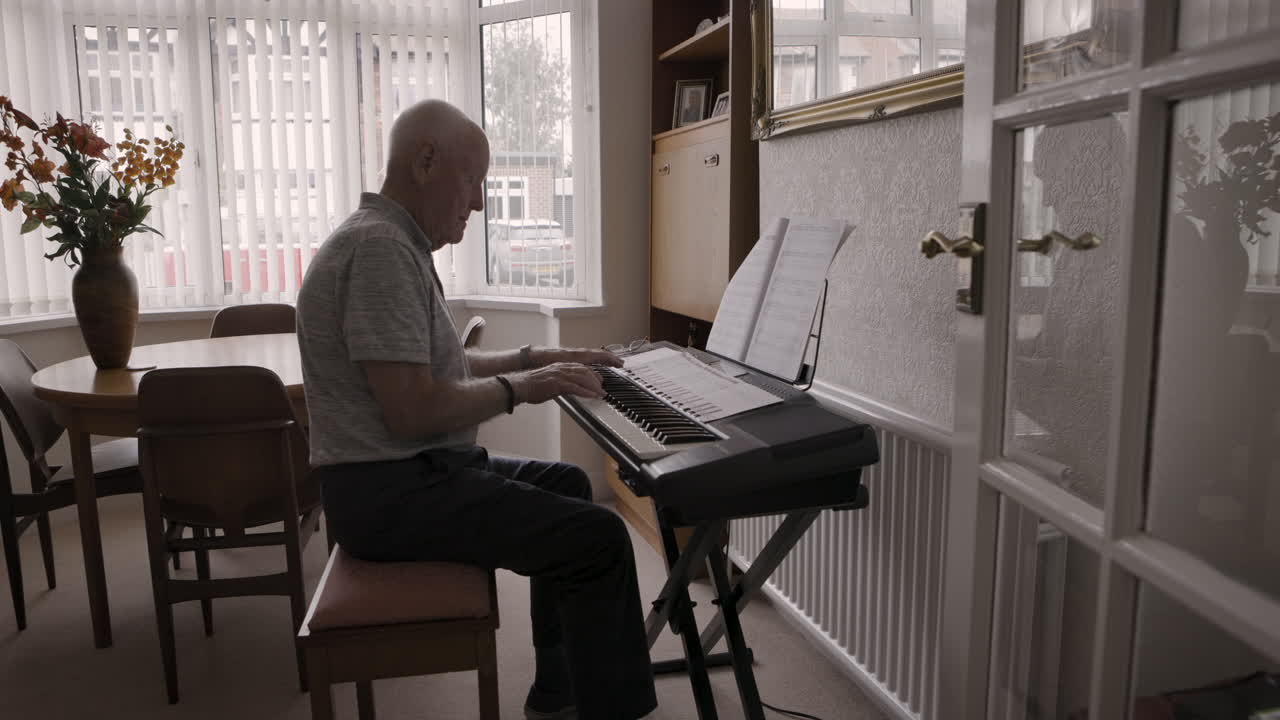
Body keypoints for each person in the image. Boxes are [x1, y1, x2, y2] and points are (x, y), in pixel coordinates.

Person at [297, 99, 658, 720]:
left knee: (570, 484)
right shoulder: (381, 252)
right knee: (597, 537)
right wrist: (529, 387)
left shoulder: (392, 243)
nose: (481, 203)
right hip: (390, 495)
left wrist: (536, 356)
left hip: (409, 475)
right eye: (474, 182)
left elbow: (445, 372)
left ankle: (557, 693)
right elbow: (413, 410)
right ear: (426, 161)